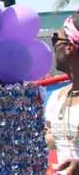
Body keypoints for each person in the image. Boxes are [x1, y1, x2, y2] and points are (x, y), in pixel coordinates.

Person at [47, 14, 79, 173]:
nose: (53, 47)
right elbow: (51, 139)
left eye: (55, 40)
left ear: (69, 47)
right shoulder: (56, 97)